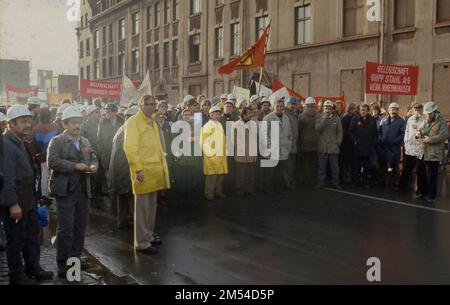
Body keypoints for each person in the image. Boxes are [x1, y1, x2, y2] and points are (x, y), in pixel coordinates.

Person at [0, 105, 53, 285]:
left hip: (28, 201)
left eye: (29, 121)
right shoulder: (5, 144)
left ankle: (33, 268)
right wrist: (13, 204)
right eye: (23, 122)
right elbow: (7, 176)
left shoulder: (21, 142)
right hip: (15, 203)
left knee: (32, 237)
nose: (28, 125)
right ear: (11, 124)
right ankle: (17, 275)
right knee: (15, 240)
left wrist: (36, 198)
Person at [47, 106, 98, 278]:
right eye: (73, 123)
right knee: (66, 229)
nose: (77, 126)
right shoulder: (57, 142)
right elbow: (52, 161)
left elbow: (92, 156)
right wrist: (74, 166)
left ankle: (74, 260)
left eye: (79, 122)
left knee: (80, 228)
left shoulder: (85, 141)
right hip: (65, 192)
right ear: (65, 124)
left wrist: (93, 166)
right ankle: (62, 263)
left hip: (83, 191)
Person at [123, 95, 170, 255]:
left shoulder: (152, 122)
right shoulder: (133, 122)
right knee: (142, 209)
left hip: (154, 170)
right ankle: (141, 242)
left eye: (153, 104)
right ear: (140, 105)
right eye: (147, 104)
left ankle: (148, 235)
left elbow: (158, 145)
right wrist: (138, 169)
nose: (150, 107)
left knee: (151, 207)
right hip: (143, 171)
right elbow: (130, 148)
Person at [109, 106, 139, 230]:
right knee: (132, 198)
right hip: (126, 169)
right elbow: (131, 151)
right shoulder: (129, 129)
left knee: (122, 197)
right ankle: (138, 226)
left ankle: (122, 222)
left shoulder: (121, 128)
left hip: (118, 169)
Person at [416, 102, 449, 203]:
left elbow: (444, 135)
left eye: (430, 113)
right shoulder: (426, 120)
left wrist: (429, 139)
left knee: (432, 175)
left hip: (433, 153)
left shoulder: (441, 122)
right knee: (420, 171)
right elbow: (421, 130)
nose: (428, 115)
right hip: (423, 151)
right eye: (427, 114)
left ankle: (431, 195)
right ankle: (422, 191)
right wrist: (419, 132)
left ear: (434, 112)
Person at [97, 102, 124, 214]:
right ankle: (113, 208)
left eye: (109, 110)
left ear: (115, 112)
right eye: (106, 110)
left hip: (120, 155)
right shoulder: (102, 121)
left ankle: (121, 208)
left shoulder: (122, 121)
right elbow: (99, 139)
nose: (106, 112)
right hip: (107, 156)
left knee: (121, 180)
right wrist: (102, 153)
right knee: (110, 181)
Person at [263, 98, 292, 193]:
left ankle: (279, 189)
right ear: (273, 106)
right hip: (271, 150)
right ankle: (268, 190)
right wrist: (269, 146)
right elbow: (264, 134)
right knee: (270, 172)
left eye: (281, 106)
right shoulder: (267, 118)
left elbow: (289, 133)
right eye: (277, 106)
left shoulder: (286, 118)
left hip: (283, 149)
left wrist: (289, 143)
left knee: (280, 171)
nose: (279, 108)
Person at [32, 109, 60, 204]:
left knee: (44, 176)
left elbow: (33, 143)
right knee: (54, 175)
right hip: (54, 155)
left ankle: (44, 196)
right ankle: (53, 193)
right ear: (50, 116)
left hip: (41, 156)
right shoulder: (56, 127)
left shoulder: (35, 128)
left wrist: (36, 154)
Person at [200, 106, 228, 201]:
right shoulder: (207, 126)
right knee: (211, 176)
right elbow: (203, 142)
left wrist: (226, 150)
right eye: (215, 114)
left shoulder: (219, 125)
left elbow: (224, 139)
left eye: (218, 114)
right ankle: (209, 193)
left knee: (220, 175)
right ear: (211, 115)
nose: (217, 116)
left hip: (221, 154)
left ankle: (218, 191)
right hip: (211, 156)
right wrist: (210, 154)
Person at [348, 104, 378, 188]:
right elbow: (350, 132)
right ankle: (354, 182)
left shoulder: (372, 120)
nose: (363, 111)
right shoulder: (355, 119)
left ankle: (366, 183)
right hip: (357, 148)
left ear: (368, 111)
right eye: (361, 110)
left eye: (364, 110)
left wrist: (373, 142)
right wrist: (354, 141)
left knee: (367, 167)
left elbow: (376, 133)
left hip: (368, 148)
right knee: (355, 167)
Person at [315, 101, 343, 189]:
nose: (327, 110)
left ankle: (335, 182)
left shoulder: (337, 119)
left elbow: (340, 132)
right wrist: (324, 119)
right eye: (326, 108)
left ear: (332, 109)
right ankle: (320, 182)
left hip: (333, 148)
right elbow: (318, 129)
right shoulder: (319, 119)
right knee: (321, 168)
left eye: (329, 108)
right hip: (322, 148)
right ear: (323, 108)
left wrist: (338, 142)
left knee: (335, 168)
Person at [232, 107, 257, 196]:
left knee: (250, 175)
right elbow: (233, 140)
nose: (250, 115)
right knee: (240, 175)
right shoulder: (236, 124)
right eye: (249, 113)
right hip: (241, 155)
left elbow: (255, 138)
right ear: (243, 114)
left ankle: (249, 190)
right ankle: (239, 191)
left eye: (251, 113)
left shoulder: (253, 124)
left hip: (251, 154)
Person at [399, 103, 425, 192]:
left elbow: (424, 132)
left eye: (419, 109)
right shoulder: (410, 119)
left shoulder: (425, 119)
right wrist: (406, 142)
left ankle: (420, 190)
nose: (417, 111)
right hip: (409, 148)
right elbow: (407, 131)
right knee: (406, 169)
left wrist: (418, 128)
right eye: (415, 109)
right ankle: (402, 187)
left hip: (419, 149)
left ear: (422, 110)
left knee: (419, 171)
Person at [380, 103, 406, 189]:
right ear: (388, 110)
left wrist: (395, 141)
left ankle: (395, 183)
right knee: (384, 165)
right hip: (385, 147)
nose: (393, 111)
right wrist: (381, 139)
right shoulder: (384, 120)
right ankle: (383, 181)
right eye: (392, 109)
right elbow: (380, 130)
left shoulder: (401, 121)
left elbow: (403, 134)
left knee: (395, 165)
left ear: (398, 111)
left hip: (394, 147)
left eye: (395, 109)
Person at [298, 97, 320, 186]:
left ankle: (306, 180)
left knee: (305, 163)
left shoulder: (301, 116)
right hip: (316, 142)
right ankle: (313, 179)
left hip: (305, 142)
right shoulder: (319, 115)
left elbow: (299, 130)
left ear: (306, 105)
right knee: (314, 163)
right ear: (314, 105)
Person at [284, 97, 300, 186]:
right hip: (288, 144)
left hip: (294, 144)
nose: (293, 105)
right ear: (288, 104)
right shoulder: (285, 114)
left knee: (292, 165)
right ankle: (286, 183)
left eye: (294, 104)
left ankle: (289, 181)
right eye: (292, 104)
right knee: (287, 165)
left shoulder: (294, 114)